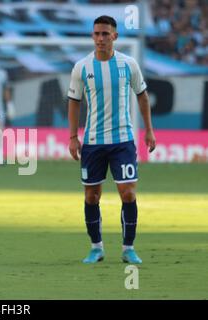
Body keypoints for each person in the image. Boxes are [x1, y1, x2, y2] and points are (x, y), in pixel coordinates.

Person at [67, 16, 156, 264]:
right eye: (97, 34)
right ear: (92, 36)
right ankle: (96, 248)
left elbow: (143, 97)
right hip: (93, 141)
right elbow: (74, 102)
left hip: (123, 140)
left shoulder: (129, 64)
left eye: (106, 34)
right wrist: (73, 136)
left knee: (127, 193)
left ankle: (128, 248)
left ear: (114, 36)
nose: (101, 38)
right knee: (91, 196)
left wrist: (149, 130)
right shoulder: (82, 67)